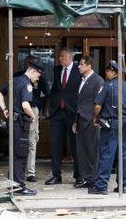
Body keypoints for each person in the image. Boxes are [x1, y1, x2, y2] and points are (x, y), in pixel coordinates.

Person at [88, 60, 126, 195]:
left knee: (107, 153)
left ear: (113, 71)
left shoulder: (107, 86)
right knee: (124, 154)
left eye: (107, 71)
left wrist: (95, 118)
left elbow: (97, 105)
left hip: (111, 123)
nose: (105, 73)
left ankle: (101, 186)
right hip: (125, 122)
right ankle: (123, 186)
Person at [0, 61, 44, 196]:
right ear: (33, 71)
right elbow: (25, 105)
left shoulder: (14, 80)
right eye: (38, 75)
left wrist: (4, 108)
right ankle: (19, 186)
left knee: (14, 153)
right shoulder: (26, 84)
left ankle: (12, 185)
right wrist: (33, 116)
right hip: (20, 123)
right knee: (21, 154)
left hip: (12, 122)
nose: (38, 78)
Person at [45, 48, 82, 186]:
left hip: (72, 113)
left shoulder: (79, 70)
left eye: (61, 56)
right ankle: (56, 176)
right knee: (55, 144)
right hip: (57, 112)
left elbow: (80, 91)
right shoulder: (56, 70)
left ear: (70, 58)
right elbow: (56, 88)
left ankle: (79, 176)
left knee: (75, 145)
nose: (59, 58)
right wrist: (50, 105)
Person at [13, 55, 50, 183]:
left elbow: (47, 95)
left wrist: (43, 112)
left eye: (32, 63)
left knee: (31, 141)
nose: (29, 64)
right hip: (19, 110)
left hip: (33, 110)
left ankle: (30, 172)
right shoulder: (17, 77)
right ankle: (17, 172)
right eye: (28, 62)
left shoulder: (40, 78)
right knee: (17, 141)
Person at [72, 55, 104, 188]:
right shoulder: (82, 80)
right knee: (82, 150)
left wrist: (95, 118)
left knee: (92, 150)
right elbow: (79, 102)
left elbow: (99, 102)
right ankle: (86, 178)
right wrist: (75, 121)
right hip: (81, 119)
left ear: (89, 66)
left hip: (91, 120)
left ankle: (94, 178)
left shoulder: (98, 81)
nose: (78, 66)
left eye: (81, 64)